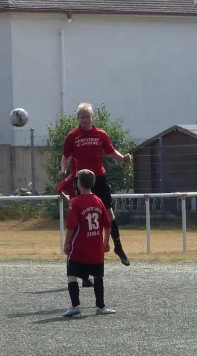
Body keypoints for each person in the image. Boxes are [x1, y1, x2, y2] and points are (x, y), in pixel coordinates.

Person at [60, 103, 132, 286]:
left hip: (98, 178)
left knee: (108, 213)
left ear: (92, 118)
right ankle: (83, 273)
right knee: (81, 222)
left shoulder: (100, 134)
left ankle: (118, 246)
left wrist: (123, 158)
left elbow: (110, 152)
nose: (85, 120)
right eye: (82, 117)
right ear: (78, 119)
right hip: (81, 180)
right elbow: (66, 157)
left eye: (88, 117)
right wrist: (64, 170)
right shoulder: (72, 136)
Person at [63, 169, 115, 317]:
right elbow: (108, 224)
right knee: (98, 276)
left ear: (79, 184)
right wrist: (105, 243)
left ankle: (75, 306)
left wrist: (66, 244)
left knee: (72, 275)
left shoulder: (75, 202)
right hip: (96, 248)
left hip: (79, 248)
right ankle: (100, 306)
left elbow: (71, 226)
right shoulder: (98, 201)